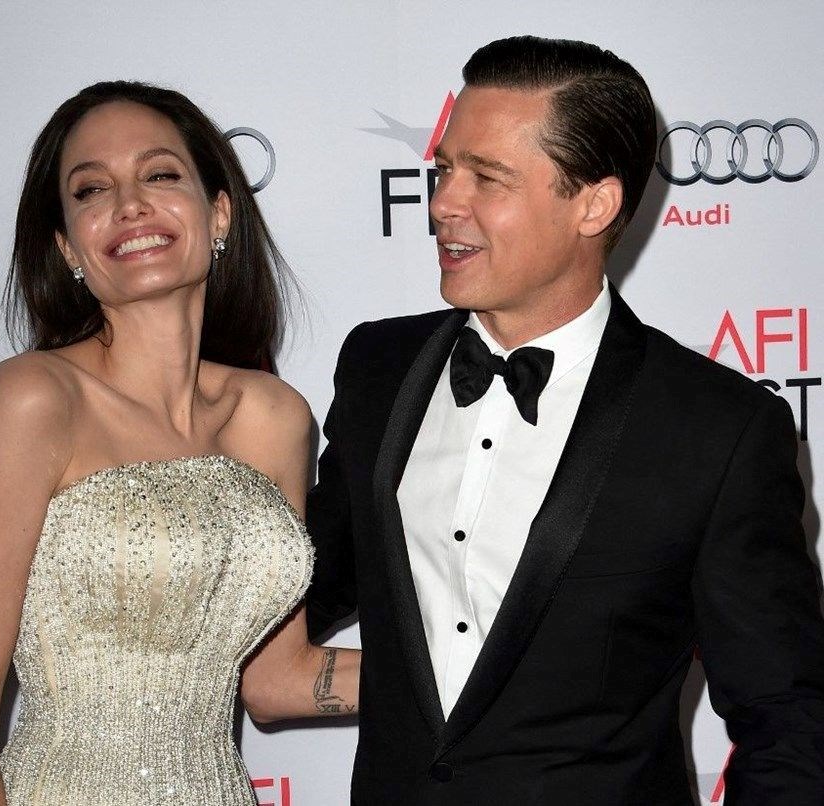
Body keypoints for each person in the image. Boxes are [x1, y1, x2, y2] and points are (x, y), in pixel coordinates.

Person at [306, 35, 824, 805]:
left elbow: (787, 723)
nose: (443, 203)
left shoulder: (719, 431)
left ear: (594, 205)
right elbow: (306, 580)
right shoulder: (378, 368)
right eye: (445, 169)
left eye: (488, 177)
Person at [0, 80, 358, 806]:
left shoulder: (273, 415)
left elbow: (277, 681)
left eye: (159, 175)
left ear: (219, 212)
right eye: (92, 189)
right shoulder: (35, 398)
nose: (129, 204)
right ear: (68, 245)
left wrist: (490, 676)